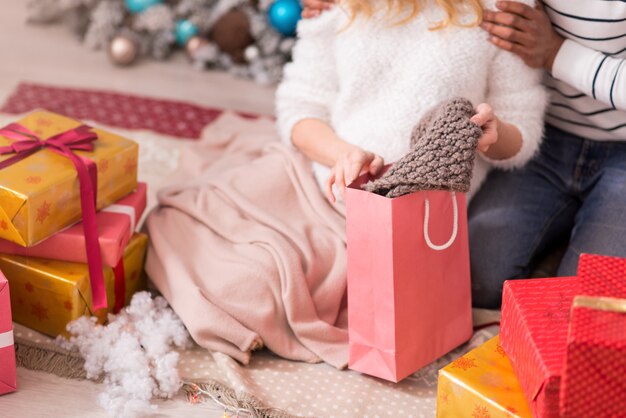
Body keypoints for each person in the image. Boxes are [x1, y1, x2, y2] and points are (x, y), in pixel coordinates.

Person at [301, 0, 626, 309]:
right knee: (477, 277)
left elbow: (517, 114)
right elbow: (303, 99)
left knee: (592, 307)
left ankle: (585, 227)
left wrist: (555, 51)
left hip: (619, 148)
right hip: (550, 138)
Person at [277, 0, 547, 206]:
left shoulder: (502, 9)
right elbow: (300, 106)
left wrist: (493, 134)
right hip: (324, 196)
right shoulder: (335, 5)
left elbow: (521, 123)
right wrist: (343, 155)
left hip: (430, 218)